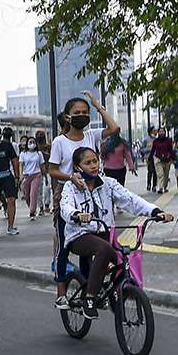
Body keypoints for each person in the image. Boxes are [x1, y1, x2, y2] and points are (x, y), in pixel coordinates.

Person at [60, 147, 172, 318]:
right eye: (88, 163)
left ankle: (114, 293)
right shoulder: (71, 186)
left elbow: (131, 199)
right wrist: (76, 215)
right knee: (105, 249)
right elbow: (65, 207)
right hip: (80, 236)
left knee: (124, 259)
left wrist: (155, 212)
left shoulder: (108, 184)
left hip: (106, 234)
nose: (93, 165)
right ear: (77, 167)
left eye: (95, 161)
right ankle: (89, 298)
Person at [47, 92, 120, 306]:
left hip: (93, 195)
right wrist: (71, 177)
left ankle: (91, 290)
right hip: (68, 196)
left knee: (92, 242)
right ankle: (61, 293)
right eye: (77, 113)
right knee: (65, 245)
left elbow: (114, 128)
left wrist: (97, 105)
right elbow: (52, 170)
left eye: (85, 113)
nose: (82, 116)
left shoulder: (92, 136)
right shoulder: (60, 142)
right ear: (67, 117)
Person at [0, 125, 22, 235]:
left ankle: (10, 227)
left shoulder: (7, 145)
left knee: (11, 200)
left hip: (6, 175)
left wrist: (17, 177)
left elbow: (14, 160)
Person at [19, 135, 45, 220]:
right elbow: (21, 165)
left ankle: (32, 212)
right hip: (27, 176)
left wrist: (44, 175)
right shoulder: (23, 154)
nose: (32, 144)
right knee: (27, 195)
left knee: (33, 194)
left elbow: (42, 165)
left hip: (36, 175)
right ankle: (31, 207)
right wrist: (21, 175)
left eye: (33, 142)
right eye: (30, 142)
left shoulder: (39, 153)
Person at [151, 128, 174, 194]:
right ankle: (160, 188)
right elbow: (153, 150)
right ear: (158, 133)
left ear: (164, 132)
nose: (161, 133)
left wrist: (173, 158)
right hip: (158, 159)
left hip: (167, 160)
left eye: (162, 131)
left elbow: (171, 150)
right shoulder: (155, 141)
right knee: (160, 174)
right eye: (160, 131)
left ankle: (165, 186)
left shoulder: (168, 140)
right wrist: (150, 158)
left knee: (166, 174)